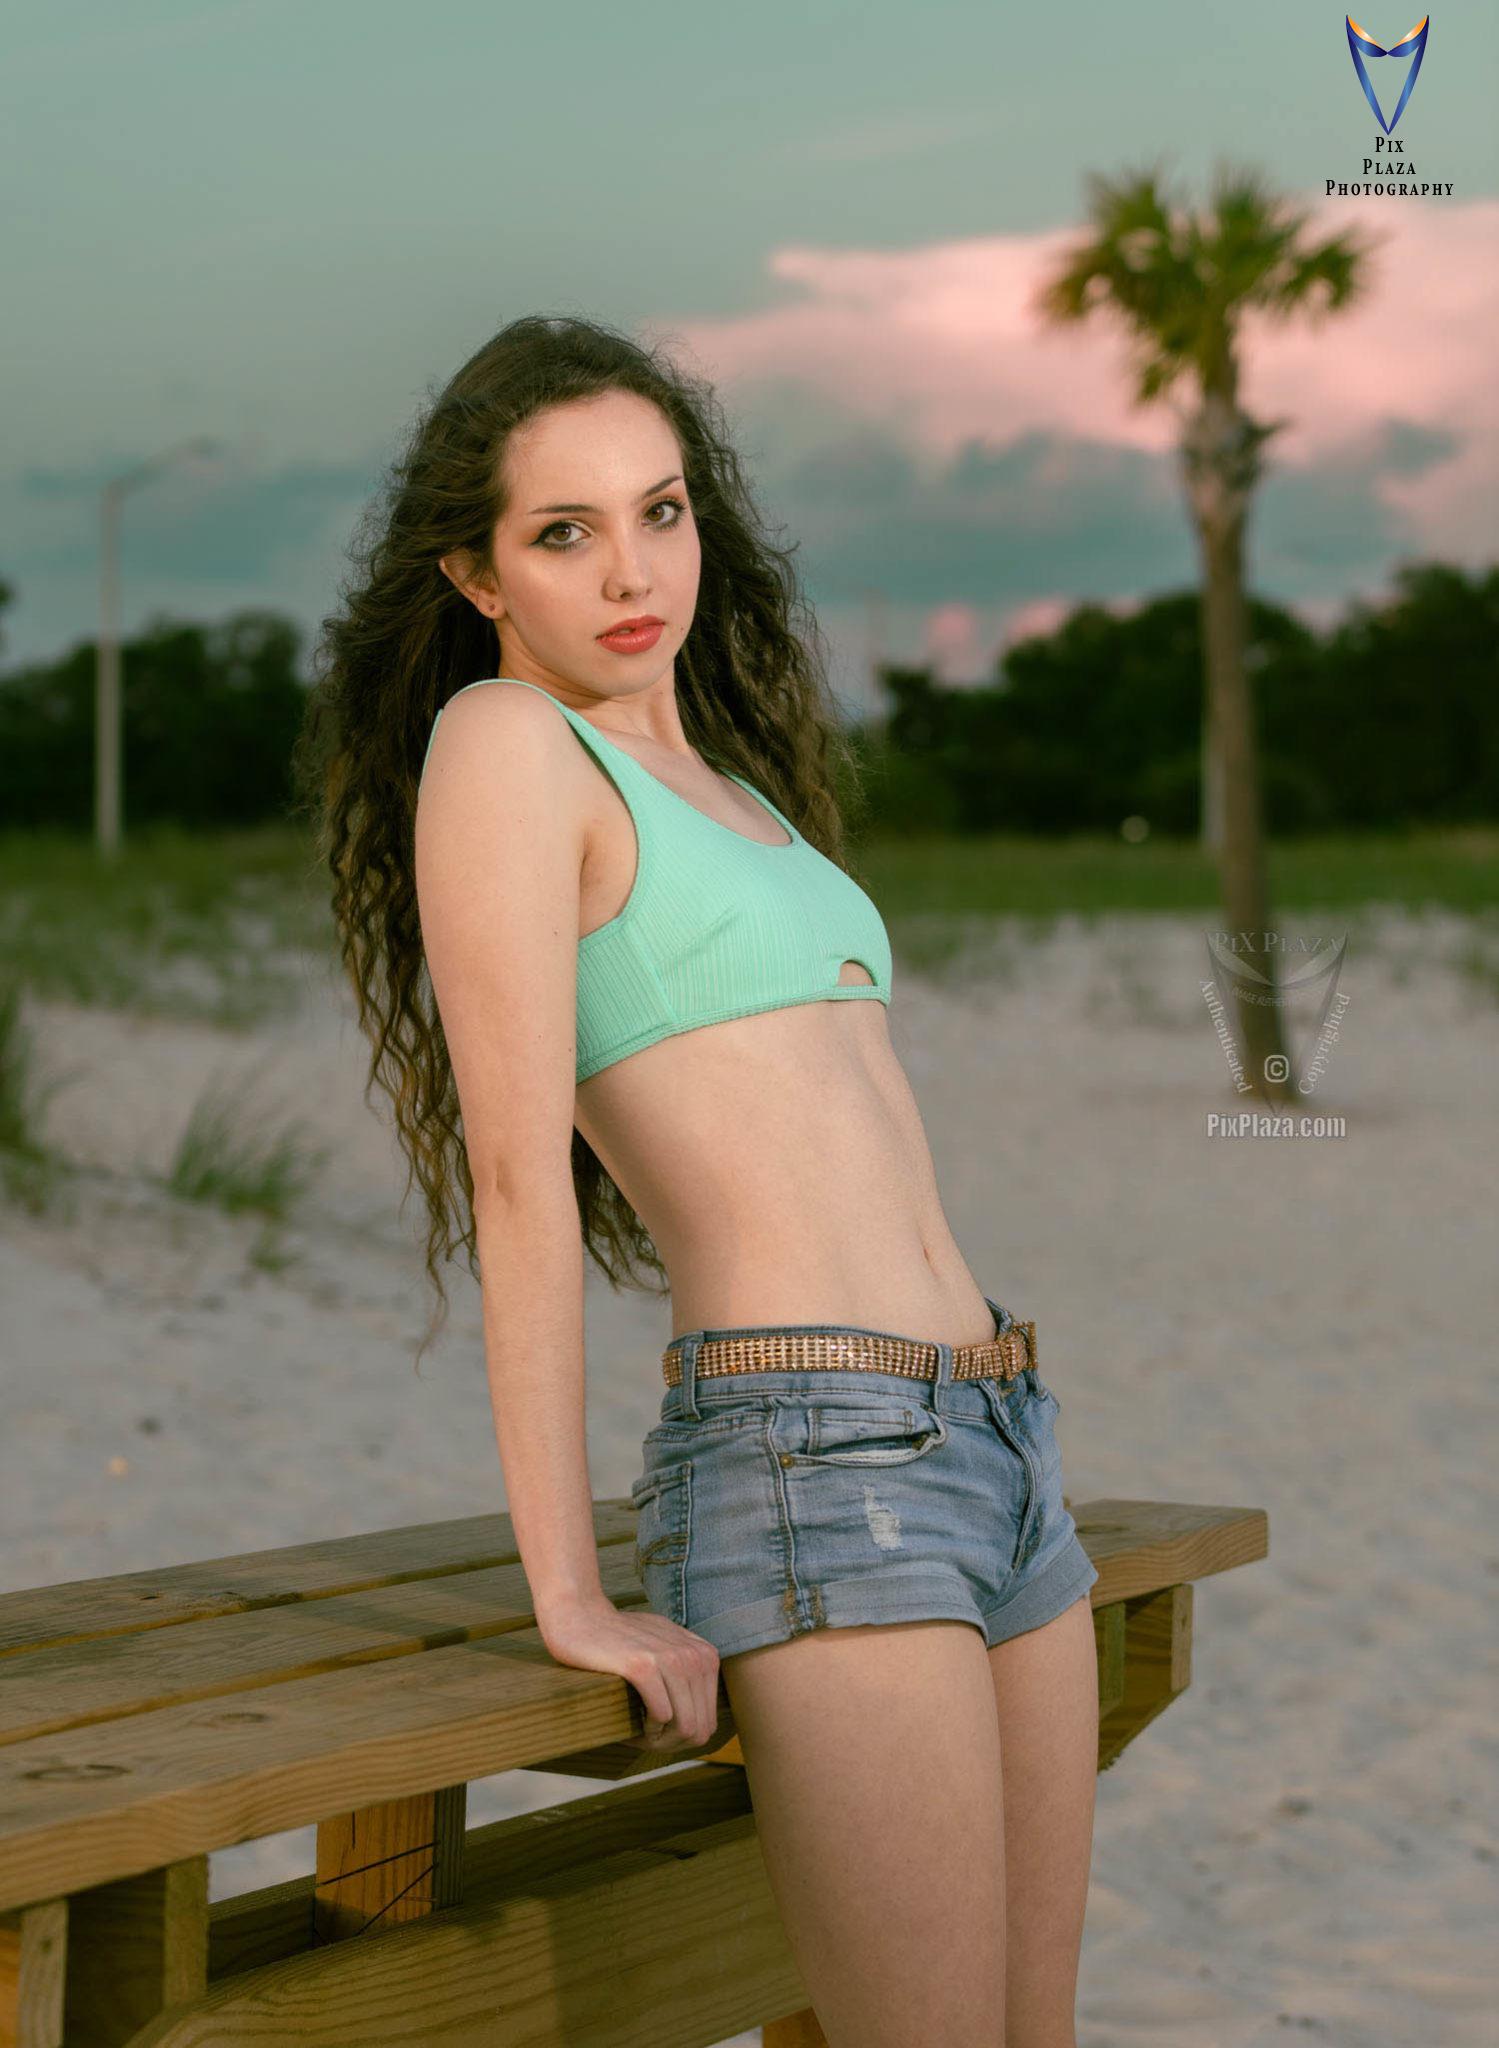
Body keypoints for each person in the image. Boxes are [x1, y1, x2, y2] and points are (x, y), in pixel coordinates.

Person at [301, 313, 1101, 2048]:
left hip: (999, 1433)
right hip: (816, 1454)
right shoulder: (508, 750)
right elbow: (517, 1192)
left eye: (658, 511)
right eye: (562, 532)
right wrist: (570, 1593)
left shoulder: (736, 789)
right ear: (476, 571)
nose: (628, 569)